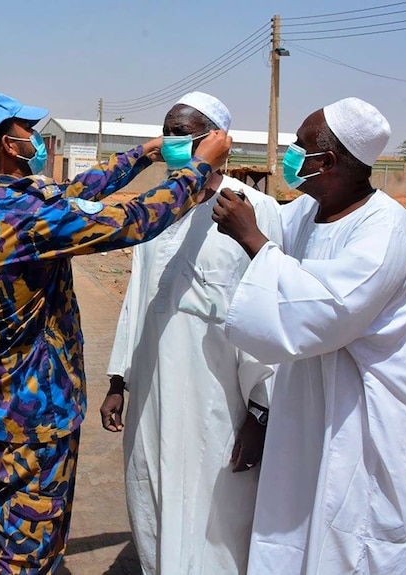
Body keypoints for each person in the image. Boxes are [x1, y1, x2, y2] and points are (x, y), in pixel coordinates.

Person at [0, 91, 231, 574]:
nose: (35, 138)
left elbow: (80, 190)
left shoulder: (0, 198)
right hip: (33, 411)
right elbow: (133, 221)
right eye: (26, 130)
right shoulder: (25, 216)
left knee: (26, 530)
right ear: (7, 143)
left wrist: (142, 153)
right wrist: (198, 168)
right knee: (25, 550)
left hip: (21, 403)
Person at [211, 97, 406, 574]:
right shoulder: (303, 215)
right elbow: (266, 216)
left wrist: (253, 240)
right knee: (295, 523)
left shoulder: (385, 227)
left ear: (329, 162)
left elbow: (330, 309)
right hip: (307, 405)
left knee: (356, 532)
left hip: (365, 413)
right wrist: (211, 178)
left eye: (299, 147)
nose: (292, 155)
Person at [100, 92, 282, 575]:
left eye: (186, 132)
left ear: (219, 141)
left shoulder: (255, 211)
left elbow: (270, 314)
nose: (175, 142)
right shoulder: (157, 210)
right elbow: (139, 295)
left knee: (217, 517)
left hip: (219, 399)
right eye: (170, 132)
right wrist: (119, 378)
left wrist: (261, 412)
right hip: (153, 390)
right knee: (151, 497)